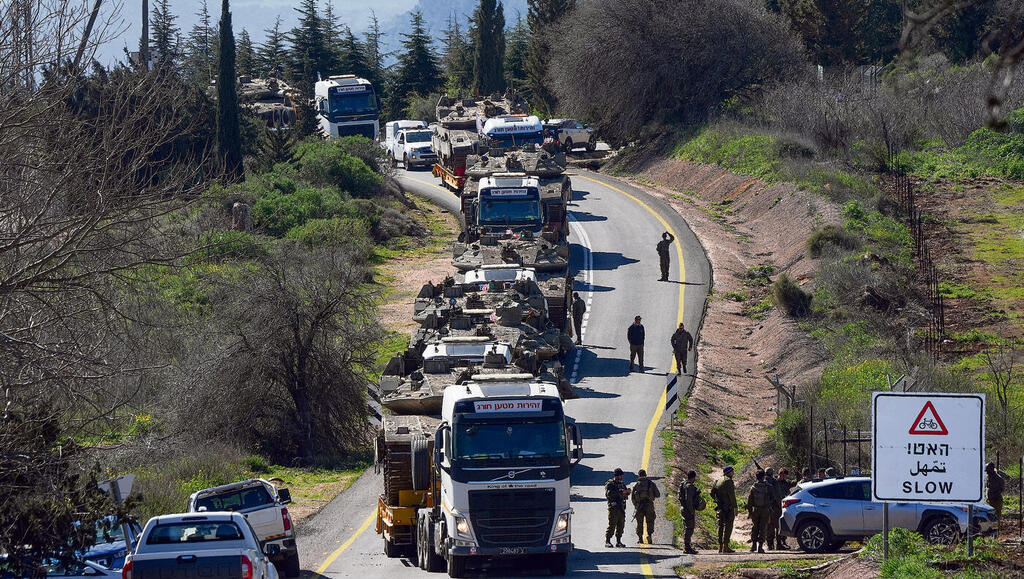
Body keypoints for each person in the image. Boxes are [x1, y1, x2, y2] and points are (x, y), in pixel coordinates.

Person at [711, 465, 737, 553]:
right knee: (728, 526)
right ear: (729, 472)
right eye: (732, 471)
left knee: (720, 526)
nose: (733, 473)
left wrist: (717, 501)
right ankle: (726, 546)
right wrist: (735, 507)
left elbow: (712, 493)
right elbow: (732, 496)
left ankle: (720, 546)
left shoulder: (718, 481)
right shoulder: (728, 481)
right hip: (728, 508)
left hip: (720, 507)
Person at [631, 469, 661, 544]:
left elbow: (633, 498)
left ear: (639, 475)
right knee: (650, 521)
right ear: (646, 475)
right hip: (649, 505)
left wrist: (636, 505)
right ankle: (649, 535)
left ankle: (640, 538)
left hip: (639, 506)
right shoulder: (651, 484)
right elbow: (658, 494)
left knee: (639, 522)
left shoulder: (636, 485)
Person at [747, 470, 771, 553]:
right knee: (763, 528)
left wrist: (750, 512)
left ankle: (753, 545)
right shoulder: (767, 487)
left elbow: (749, 501)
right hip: (765, 510)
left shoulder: (753, 487)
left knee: (755, 527)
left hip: (755, 510)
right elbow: (772, 497)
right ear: (763, 477)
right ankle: (760, 547)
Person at [605, 468, 630, 547]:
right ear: (616, 476)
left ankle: (618, 541)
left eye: (622, 475)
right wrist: (620, 492)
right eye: (620, 475)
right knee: (612, 524)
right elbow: (609, 494)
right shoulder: (611, 484)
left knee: (621, 525)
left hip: (621, 507)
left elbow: (625, 493)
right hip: (614, 508)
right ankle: (607, 541)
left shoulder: (622, 484)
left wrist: (627, 492)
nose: (621, 477)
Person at [679, 470, 700, 554]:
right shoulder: (689, 486)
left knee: (686, 527)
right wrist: (691, 511)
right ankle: (687, 547)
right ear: (693, 477)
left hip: (683, 508)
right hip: (688, 510)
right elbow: (688, 500)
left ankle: (686, 546)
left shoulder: (684, 484)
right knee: (689, 528)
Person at [986, 462, 1007, 532]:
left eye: (988, 470)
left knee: (996, 517)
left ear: (992, 469)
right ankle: (990, 531)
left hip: (996, 500)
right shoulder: (988, 477)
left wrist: (995, 493)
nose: (987, 472)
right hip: (989, 500)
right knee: (989, 517)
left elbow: (1002, 489)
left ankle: (995, 532)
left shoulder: (998, 478)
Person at [775, 469, 792, 549]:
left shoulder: (785, 483)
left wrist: (796, 472)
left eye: (785, 476)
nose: (784, 477)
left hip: (784, 506)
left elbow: (795, 482)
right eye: (782, 475)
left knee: (783, 524)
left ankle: (783, 541)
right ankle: (776, 543)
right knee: (776, 526)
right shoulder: (774, 482)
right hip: (775, 507)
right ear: (779, 474)